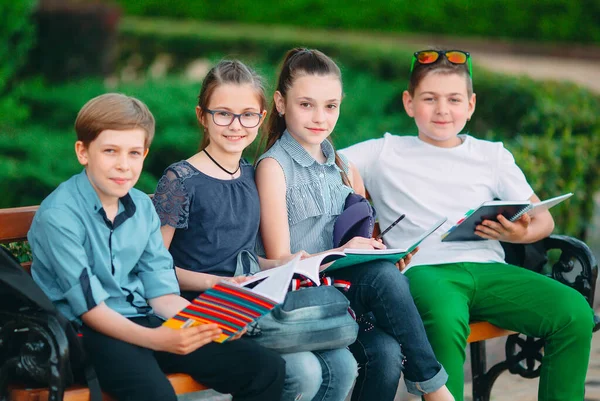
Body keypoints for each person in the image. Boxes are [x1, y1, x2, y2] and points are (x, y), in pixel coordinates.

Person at [340, 49, 595, 401]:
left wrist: (519, 232)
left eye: (454, 99)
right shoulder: (383, 151)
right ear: (409, 102)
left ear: (471, 105)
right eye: (429, 98)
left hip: (489, 269)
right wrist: (360, 210)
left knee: (574, 314)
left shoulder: (492, 155)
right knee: (444, 319)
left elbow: (543, 218)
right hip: (425, 271)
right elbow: (325, 163)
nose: (442, 109)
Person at [28, 93, 286, 401]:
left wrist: (208, 325)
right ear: (83, 152)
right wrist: (158, 340)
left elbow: (161, 294)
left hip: (144, 319)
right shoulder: (60, 215)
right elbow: (91, 310)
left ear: (145, 154)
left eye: (134, 153)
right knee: (156, 395)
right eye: (110, 151)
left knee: (263, 367)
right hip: (87, 334)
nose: (123, 165)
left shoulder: (141, 206)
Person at [255, 48, 454, 401]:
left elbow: (359, 240)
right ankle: (434, 389)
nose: (319, 117)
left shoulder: (345, 168)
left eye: (330, 106)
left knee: (387, 352)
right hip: (300, 301)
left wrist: (381, 253)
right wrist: (342, 253)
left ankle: (431, 386)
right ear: (281, 103)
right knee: (381, 278)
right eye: (306, 105)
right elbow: (279, 261)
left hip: (345, 298)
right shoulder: (273, 167)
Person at [152, 59, 357, 401]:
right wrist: (212, 282)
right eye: (223, 114)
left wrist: (286, 265)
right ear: (202, 115)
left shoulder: (250, 175)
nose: (236, 125)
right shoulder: (180, 179)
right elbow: (154, 268)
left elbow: (246, 257)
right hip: (200, 308)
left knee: (343, 364)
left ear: (262, 117)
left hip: (250, 305)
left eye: (247, 114)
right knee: (304, 371)